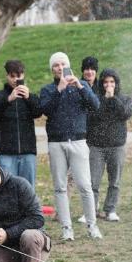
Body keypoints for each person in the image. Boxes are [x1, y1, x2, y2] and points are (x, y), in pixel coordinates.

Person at [39, 52, 102, 241]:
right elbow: (46, 110)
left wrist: (81, 86)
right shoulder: (48, 90)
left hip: (78, 141)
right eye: (56, 65)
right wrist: (59, 89)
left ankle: (92, 225)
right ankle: (67, 228)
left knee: (85, 185)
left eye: (63, 64)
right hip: (57, 142)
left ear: (69, 66)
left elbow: (95, 105)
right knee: (60, 187)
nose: (60, 68)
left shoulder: (79, 87)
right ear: (52, 69)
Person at [86, 68, 132, 222]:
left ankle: (111, 209)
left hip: (116, 146)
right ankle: (91, 211)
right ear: (101, 84)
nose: (108, 85)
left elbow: (125, 114)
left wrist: (113, 99)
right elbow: (94, 117)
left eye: (112, 82)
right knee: (94, 182)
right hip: (97, 146)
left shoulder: (124, 99)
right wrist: (105, 100)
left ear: (116, 83)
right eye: (105, 82)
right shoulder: (96, 99)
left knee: (115, 181)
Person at [0, 60, 41, 187]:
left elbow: (38, 112)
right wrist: (8, 99)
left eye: (19, 76)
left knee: (28, 189)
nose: (16, 79)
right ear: (7, 76)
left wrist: (28, 98)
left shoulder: (30, 97)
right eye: (12, 76)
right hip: (5, 152)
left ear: (23, 76)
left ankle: (27, 208)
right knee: (6, 188)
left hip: (28, 151)